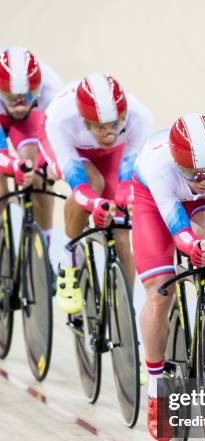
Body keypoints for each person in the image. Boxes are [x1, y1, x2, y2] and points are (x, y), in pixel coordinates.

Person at [131, 114, 205, 441]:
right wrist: (192, 246)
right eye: (194, 173)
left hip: (202, 206)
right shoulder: (161, 168)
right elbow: (177, 227)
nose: (204, 179)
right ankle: (156, 387)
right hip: (154, 203)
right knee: (160, 294)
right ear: (179, 164)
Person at [39, 73, 153, 313]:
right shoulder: (61, 119)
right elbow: (80, 188)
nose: (109, 132)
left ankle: (124, 312)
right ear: (84, 120)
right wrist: (95, 203)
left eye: (115, 124)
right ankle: (68, 261)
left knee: (121, 236)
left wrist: (125, 200)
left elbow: (127, 180)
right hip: (71, 150)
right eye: (101, 127)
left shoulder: (139, 116)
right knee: (93, 183)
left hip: (112, 156)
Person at [0, 47, 64, 251]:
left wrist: (49, 167)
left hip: (30, 121)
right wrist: (11, 165)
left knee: (39, 179)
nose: (20, 104)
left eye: (28, 96)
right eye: (12, 97)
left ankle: (43, 247)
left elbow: (57, 138)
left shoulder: (51, 87)